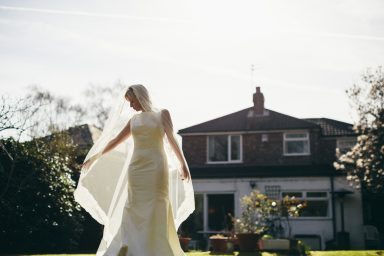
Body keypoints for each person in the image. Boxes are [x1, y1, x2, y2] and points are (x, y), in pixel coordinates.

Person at [74, 84, 195, 256]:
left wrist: (182, 164)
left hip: (156, 167)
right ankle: (130, 247)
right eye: (129, 102)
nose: (131, 106)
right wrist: (94, 158)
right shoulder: (134, 120)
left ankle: (156, 247)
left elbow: (172, 140)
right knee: (133, 205)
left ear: (140, 97)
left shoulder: (162, 114)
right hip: (136, 169)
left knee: (156, 203)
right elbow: (115, 141)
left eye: (132, 101)